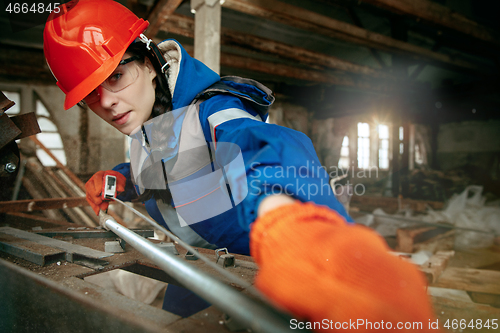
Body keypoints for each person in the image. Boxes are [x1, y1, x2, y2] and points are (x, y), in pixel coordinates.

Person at [43, 0, 437, 328]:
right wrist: (121, 177)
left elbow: (267, 149)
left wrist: (294, 224)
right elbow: (169, 170)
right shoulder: (154, 119)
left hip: (265, 267)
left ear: (148, 60)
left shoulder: (214, 109)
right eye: (90, 95)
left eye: (116, 77)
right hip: (198, 265)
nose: (106, 102)